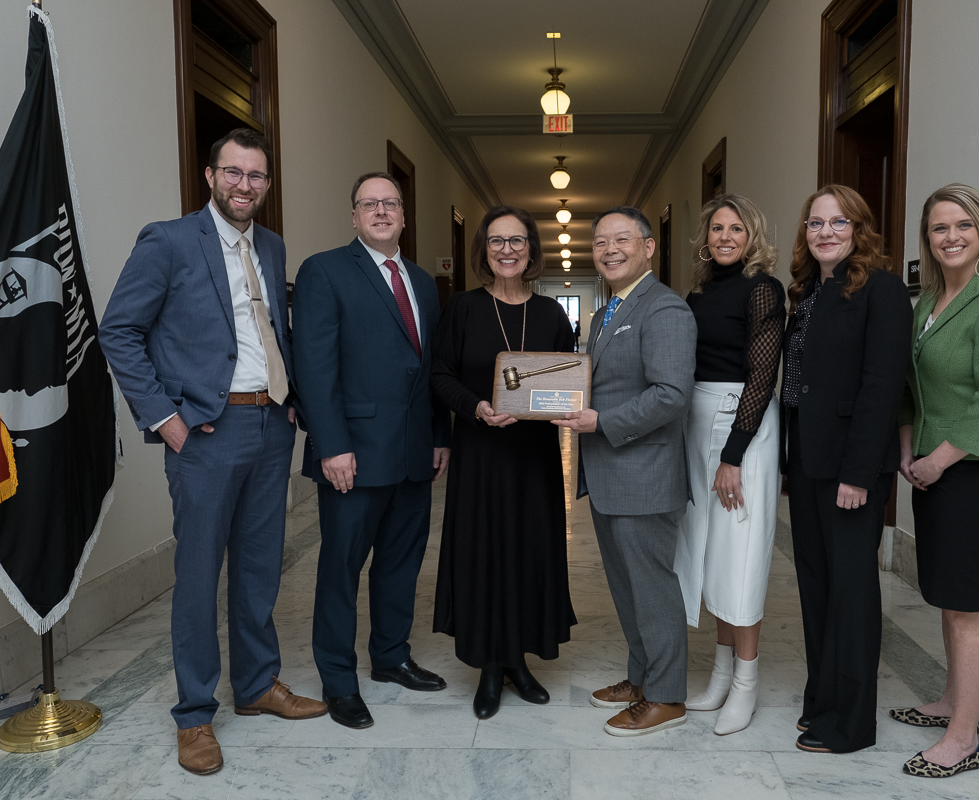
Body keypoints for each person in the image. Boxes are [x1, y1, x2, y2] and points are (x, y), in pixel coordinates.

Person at [99, 128, 325, 776]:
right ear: (209, 175)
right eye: (234, 172)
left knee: (259, 570)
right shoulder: (168, 241)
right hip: (205, 433)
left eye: (256, 176)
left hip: (269, 427)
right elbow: (120, 329)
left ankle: (257, 685)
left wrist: (289, 401)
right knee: (199, 578)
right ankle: (195, 714)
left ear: (267, 185)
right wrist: (164, 418)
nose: (245, 185)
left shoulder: (273, 246)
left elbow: (269, 331)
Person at [292, 172, 451, 731]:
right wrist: (330, 444)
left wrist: (439, 437)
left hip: (412, 454)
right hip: (352, 457)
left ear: (404, 216)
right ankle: (338, 680)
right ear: (354, 216)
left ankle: (391, 657)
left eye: (390, 204)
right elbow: (312, 366)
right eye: (369, 204)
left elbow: (433, 370)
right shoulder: (324, 271)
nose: (381, 211)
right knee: (341, 570)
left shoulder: (425, 283)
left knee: (401, 566)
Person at [892, 184, 979, 778]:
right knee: (948, 598)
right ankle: (951, 701)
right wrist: (908, 451)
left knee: (968, 606)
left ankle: (964, 738)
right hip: (931, 467)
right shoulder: (925, 305)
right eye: (939, 228)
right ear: (927, 238)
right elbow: (909, 389)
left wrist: (938, 460)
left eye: (963, 226)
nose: (951, 237)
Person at [430, 206, 577, 719]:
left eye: (517, 241)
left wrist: (563, 408)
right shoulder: (464, 309)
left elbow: (568, 383)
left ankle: (518, 659)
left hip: (534, 458)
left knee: (528, 551)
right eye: (497, 241)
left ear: (532, 250)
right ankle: (491, 665)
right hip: (481, 453)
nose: (507, 250)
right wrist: (475, 408)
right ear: (484, 251)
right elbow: (440, 374)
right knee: (485, 551)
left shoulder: (553, 316)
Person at [555, 206, 697, 737]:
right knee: (627, 588)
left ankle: (666, 696)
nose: (609, 249)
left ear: (648, 246)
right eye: (600, 243)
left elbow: (672, 395)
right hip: (613, 474)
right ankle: (641, 678)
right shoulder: (609, 309)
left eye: (621, 239)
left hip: (644, 475)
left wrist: (601, 421)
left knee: (652, 590)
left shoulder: (664, 309)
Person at [780, 185, 911, 754]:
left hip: (851, 468)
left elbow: (882, 387)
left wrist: (860, 475)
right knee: (816, 585)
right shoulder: (809, 292)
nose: (825, 232)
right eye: (815, 223)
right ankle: (824, 699)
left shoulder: (881, 290)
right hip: (808, 460)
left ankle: (853, 722)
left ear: (859, 229)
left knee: (852, 594)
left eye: (838, 222)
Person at [675, 194, 783, 735]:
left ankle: (746, 682)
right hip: (698, 423)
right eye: (716, 227)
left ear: (752, 236)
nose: (724, 237)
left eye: (736, 228)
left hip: (742, 426)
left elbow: (762, 377)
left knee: (740, 555)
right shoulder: (699, 293)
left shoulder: (763, 289)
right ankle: (719, 674)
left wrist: (733, 455)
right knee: (711, 553)